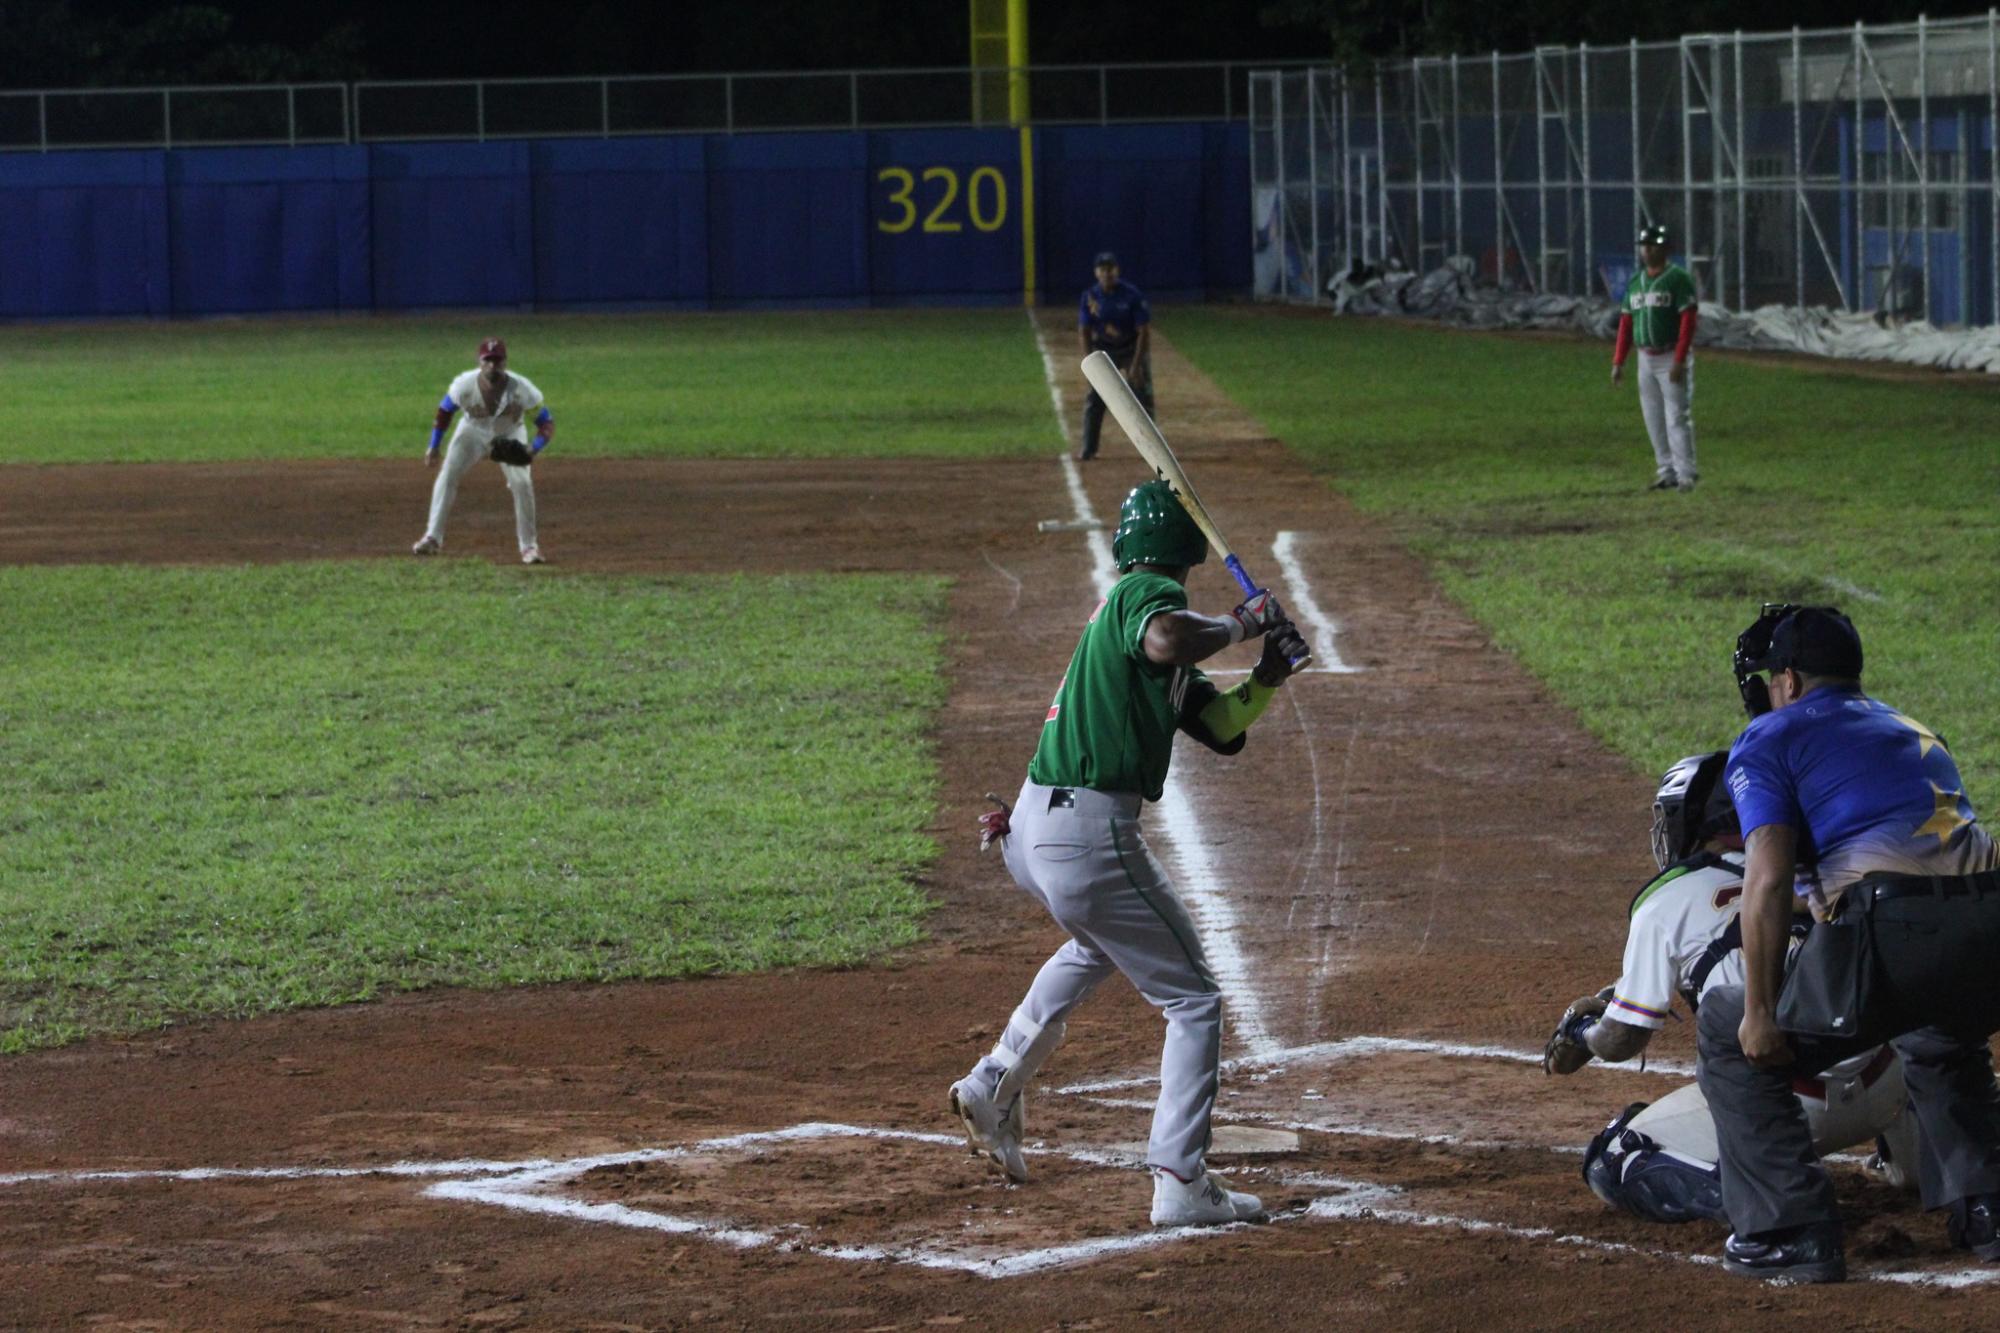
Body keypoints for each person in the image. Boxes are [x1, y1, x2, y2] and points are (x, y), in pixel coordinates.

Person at [950, 479, 1309, 1226]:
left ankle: (993, 1081)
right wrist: (1244, 620)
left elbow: (1223, 727)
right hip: (1084, 833)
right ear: (1183, 553)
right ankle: (1180, 1177)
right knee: (1196, 999)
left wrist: (1267, 675)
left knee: (1096, 947)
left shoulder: (1152, 630)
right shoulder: (1142, 598)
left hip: (1036, 827)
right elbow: (1168, 637)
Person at [1694, 605, 2000, 1283]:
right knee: (1943, 1026)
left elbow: (1768, 881)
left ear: (1791, 681)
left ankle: (1789, 1228)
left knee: (1726, 1027)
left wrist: (1761, 1013)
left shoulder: (1770, 737)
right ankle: (1990, 1207)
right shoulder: (1913, 726)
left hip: (1895, 932)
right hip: (1992, 927)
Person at [1544, 750, 1917, 1226]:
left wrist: (1583, 1034)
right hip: (1889, 1086)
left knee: (1619, 1153)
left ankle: (1781, 1199)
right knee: (1922, 1038)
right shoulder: (1829, 864)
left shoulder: (1668, 898)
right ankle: (1928, 1164)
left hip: (1790, 1108)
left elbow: (1621, 1040)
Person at [411, 337, 554, 565]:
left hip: (510, 433)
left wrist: (532, 449)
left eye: (497, 360)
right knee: (448, 474)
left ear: (505, 362)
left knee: (522, 483)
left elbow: (546, 423)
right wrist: (434, 445)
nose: (492, 365)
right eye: (487, 360)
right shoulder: (464, 385)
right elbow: (444, 413)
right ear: (480, 362)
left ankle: (529, 547)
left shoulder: (522, 388)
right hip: (472, 431)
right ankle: (432, 538)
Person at [1609, 224, 1699, 492]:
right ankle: (1666, 471)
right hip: (1645, 357)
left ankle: (1686, 473)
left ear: (1665, 249)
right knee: (1653, 417)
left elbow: (1688, 321)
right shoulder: (1636, 282)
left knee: (1676, 416)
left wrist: (1680, 360)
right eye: (1643, 245)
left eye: (1652, 245)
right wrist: (1618, 361)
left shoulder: (1678, 278)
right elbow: (1626, 323)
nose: (1646, 250)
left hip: (1671, 354)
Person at [1076, 252, 1152, 462]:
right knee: (1096, 398)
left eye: (1110, 269)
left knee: (1142, 397)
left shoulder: (1131, 295)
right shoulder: (1090, 297)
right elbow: (1084, 330)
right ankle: (1089, 448)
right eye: (1102, 269)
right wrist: (1090, 364)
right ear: (1096, 272)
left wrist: (1136, 366)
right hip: (1104, 350)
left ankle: (1153, 451)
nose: (1107, 273)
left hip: (1130, 348)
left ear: (1116, 271)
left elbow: (1143, 331)